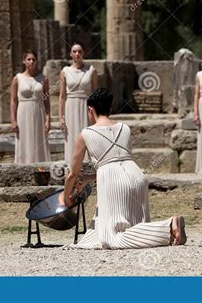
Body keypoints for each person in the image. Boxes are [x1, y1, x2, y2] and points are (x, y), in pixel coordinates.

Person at [59, 88, 187, 249]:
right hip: (137, 176)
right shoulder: (124, 128)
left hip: (113, 183)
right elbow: (118, 162)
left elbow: (73, 174)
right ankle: (170, 230)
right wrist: (88, 179)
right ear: (110, 108)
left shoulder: (86, 133)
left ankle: (168, 226)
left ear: (90, 110)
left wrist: (65, 197)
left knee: (111, 239)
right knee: (131, 228)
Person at [59, 42, 98, 163]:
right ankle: (72, 169)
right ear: (70, 54)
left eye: (79, 51)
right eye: (74, 52)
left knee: (87, 136)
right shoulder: (64, 71)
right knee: (71, 138)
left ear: (83, 53)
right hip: (70, 107)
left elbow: (96, 94)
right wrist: (61, 117)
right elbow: (62, 96)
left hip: (86, 107)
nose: (77, 54)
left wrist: (97, 115)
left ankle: (87, 170)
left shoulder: (91, 70)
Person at [11, 50, 51, 163]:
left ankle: (41, 168)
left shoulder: (43, 79)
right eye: (28, 59)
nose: (31, 62)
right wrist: (13, 120)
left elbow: (46, 100)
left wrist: (48, 119)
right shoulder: (17, 78)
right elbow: (13, 101)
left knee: (39, 140)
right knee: (24, 139)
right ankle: (23, 166)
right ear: (24, 61)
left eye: (33, 59)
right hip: (23, 112)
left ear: (36, 61)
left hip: (39, 111)